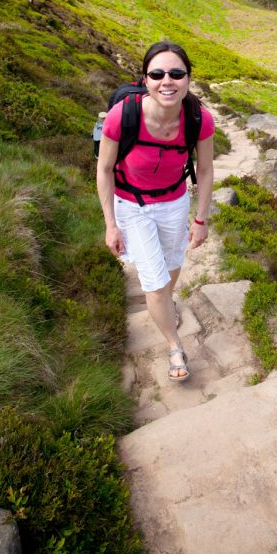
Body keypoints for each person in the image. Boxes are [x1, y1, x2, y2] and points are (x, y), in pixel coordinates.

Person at [97, 41, 214, 382]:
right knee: (155, 282)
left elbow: (204, 170)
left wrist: (201, 219)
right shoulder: (124, 115)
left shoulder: (198, 118)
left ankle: (165, 304)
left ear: (188, 79)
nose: (168, 81)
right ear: (145, 80)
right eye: (157, 73)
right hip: (133, 206)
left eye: (177, 73)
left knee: (173, 265)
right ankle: (174, 345)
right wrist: (110, 225)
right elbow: (104, 170)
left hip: (174, 203)